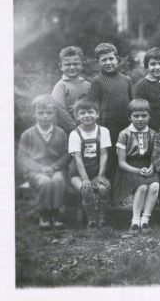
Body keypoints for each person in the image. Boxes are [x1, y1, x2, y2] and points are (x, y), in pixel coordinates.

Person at [17, 95, 70, 229]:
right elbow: (22, 157)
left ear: (54, 113)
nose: (45, 116)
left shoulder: (61, 133)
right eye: (41, 113)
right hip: (36, 172)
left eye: (49, 113)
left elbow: (67, 154)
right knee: (45, 182)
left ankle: (56, 213)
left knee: (58, 180)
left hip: (56, 169)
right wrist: (40, 168)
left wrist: (54, 167)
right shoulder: (28, 134)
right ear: (34, 113)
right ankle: (44, 214)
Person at [111, 99, 160, 234]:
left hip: (147, 166)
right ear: (129, 117)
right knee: (142, 186)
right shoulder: (124, 134)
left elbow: (154, 156)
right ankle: (135, 221)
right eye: (136, 116)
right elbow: (121, 163)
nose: (140, 119)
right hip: (129, 168)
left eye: (144, 116)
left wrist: (152, 167)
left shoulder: (153, 134)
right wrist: (138, 171)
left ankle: (145, 220)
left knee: (155, 185)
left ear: (149, 117)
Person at [89, 43, 133, 180]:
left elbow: (132, 103)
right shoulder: (97, 81)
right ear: (98, 62)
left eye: (111, 59)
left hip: (125, 125)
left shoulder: (127, 80)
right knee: (109, 157)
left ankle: (124, 185)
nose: (108, 63)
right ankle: (108, 185)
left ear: (117, 59)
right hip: (106, 126)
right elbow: (94, 106)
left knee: (124, 155)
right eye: (104, 60)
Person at [67, 97, 112, 229]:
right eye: (82, 113)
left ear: (97, 114)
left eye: (90, 112)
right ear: (77, 116)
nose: (87, 115)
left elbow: (104, 153)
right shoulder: (74, 134)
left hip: (96, 172)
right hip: (78, 174)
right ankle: (91, 220)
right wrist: (85, 179)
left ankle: (102, 219)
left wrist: (101, 175)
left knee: (104, 189)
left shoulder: (103, 131)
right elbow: (78, 158)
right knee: (86, 190)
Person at [51, 46, 91, 134]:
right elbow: (60, 111)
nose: (72, 67)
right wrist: (74, 129)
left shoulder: (87, 86)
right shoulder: (61, 86)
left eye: (76, 64)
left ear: (82, 65)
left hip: (88, 129)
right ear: (61, 66)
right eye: (67, 64)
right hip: (68, 131)